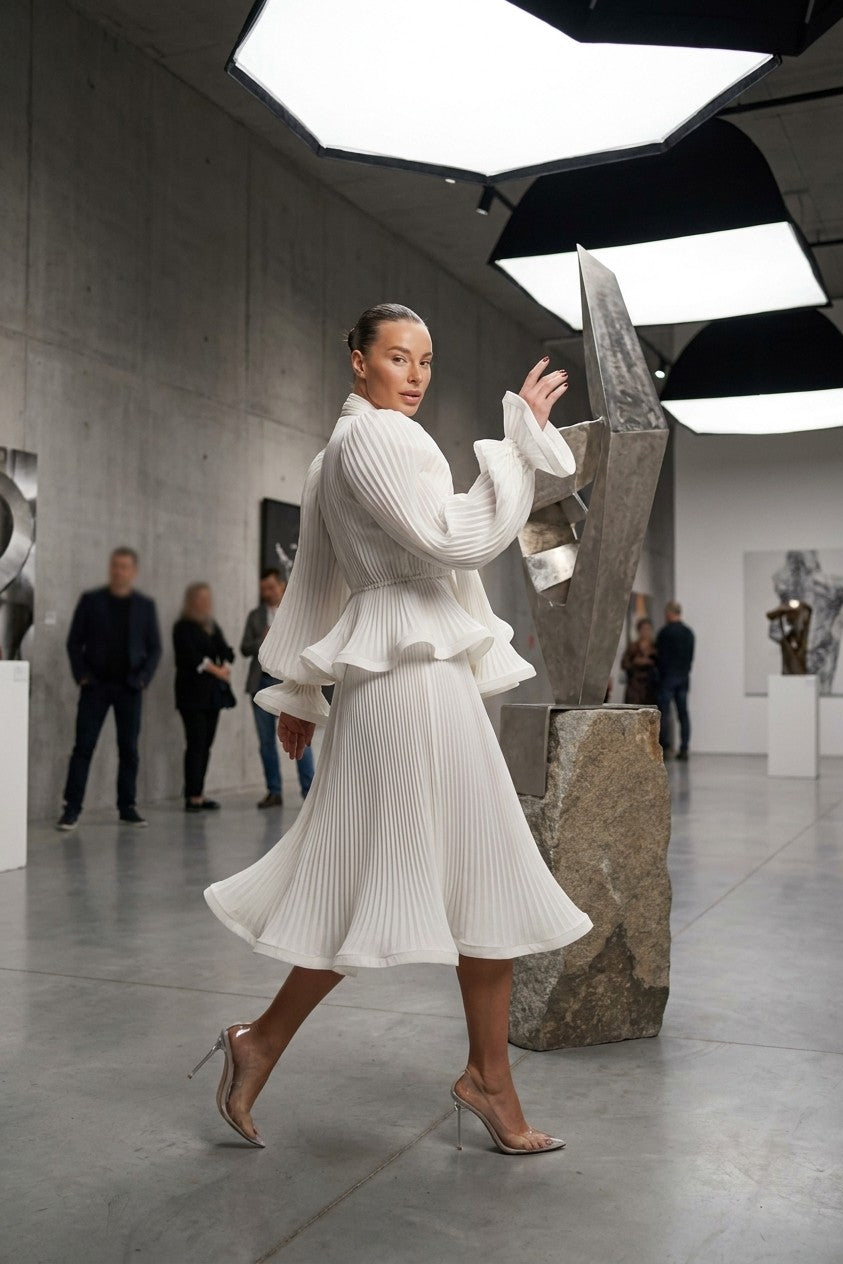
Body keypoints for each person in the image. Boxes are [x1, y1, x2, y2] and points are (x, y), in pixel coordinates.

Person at [190, 303, 593, 1155]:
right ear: (358, 361)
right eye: (399, 357)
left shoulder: (334, 455)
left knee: (431, 873)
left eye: (426, 361)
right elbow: (454, 540)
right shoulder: (377, 439)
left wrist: (302, 693)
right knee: (446, 869)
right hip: (411, 681)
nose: (415, 375)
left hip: (410, 675)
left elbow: (316, 583)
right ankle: (454, 1074)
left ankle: (468, 1075)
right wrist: (518, 444)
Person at [57, 547, 161, 831]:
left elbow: (155, 648)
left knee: (129, 750)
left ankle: (127, 807)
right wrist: (82, 676)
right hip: (96, 686)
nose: (118, 571)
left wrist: (143, 679)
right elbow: (73, 642)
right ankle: (71, 809)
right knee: (83, 747)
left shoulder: (144, 606)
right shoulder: (91, 601)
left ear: (133, 571)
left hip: (130, 687)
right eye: (115, 566)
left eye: (124, 567)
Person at [241, 568, 315, 808]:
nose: (267, 593)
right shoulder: (255, 616)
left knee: (300, 738)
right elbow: (244, 648)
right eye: (263, 589)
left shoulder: (297, 613)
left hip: (288, 683)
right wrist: (263, 638)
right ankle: (274, 792)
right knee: (266, 743)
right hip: (261, 683)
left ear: (282, 586)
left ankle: (309, 793)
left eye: (271, 587)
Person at [173, 583, 236, 813]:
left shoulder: (211, 625)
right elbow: (190, 657)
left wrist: (225, 665)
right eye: (200, 598)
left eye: (207, 598)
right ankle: (192, 795)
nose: (205, 603)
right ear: (191, 601)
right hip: (191, 696)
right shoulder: (182, 627)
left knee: (206, 744)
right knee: (196, 743)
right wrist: (217, 671)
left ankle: (198, 791)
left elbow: (226, 650)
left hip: (212, 697)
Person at [656, 601, 695, 761]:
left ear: (669, 613)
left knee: (664, 713)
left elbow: (660, 657)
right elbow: (690, 658)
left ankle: (664, 748)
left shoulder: (665, 633)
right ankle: (684, 748)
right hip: (683, 677)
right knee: (683, 713)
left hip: (667, 678)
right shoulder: (688, 633)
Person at [621, 617, 658, 705]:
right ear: (639, 630)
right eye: (643, 629)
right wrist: (635, 662)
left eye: (648, 629)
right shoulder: (633, 647)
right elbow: (624, 664)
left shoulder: (655, 647)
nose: (646, 632)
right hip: (635, 687)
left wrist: (650, 662)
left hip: (651, 687)